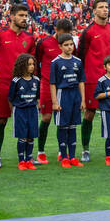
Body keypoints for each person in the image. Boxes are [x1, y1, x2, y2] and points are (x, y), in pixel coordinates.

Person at [0, 2, 38, 169]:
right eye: (21, 16)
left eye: (26, 16)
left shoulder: (29, 38)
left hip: (25, 87)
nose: (25, 19)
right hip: (3, 84)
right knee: (1, 120)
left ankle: (26, 157)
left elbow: (32, 63)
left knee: (28, 121)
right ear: (12, 16)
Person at [75, 0, 110, 162]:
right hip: (93, 79)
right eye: (101, 7)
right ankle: (85, 149)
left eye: (107, 7)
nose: (105, 10)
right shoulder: (87, 32)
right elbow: (80, 56)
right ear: (94, 11)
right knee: (89, 113)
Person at [49, 34, 85, 167]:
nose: (69, 47)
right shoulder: (55, 62)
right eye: (66, 45)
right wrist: (54, 102)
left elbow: (81, 81)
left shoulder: (78, 61)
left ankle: (73, 157)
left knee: (73, 126)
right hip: (62, 95)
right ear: (60, 46)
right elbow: (52, 83)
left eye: (71, 44)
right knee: (63, 126)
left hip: (75, 94)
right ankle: (64, 157)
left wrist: (83, 100)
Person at [8, 53, 41, 170]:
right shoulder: (16, 80)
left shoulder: (36, 80)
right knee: (22, 136)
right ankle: (21, 161)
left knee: (31, 136)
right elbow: (10, 98)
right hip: (20, 111)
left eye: (33, 64)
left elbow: (37, 97)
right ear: (22, 65)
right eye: (29, 64)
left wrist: (38, 106)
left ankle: (29, 160)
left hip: (32, 111)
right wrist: (14, 111)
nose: (32, 67)